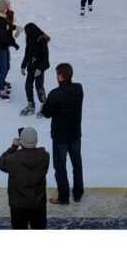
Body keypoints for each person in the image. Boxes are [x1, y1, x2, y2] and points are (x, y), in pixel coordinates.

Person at [40, 62, 84, 205]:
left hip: (60, 138)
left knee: (60, 167)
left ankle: (64, 197)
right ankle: (78, 193)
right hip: (75, 134)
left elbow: (46, 113)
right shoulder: (79, 89)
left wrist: (45, 102)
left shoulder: (55, 94)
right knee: (77, 164)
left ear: (60, 76)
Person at [0, 126, 50, 228]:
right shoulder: (45, 156)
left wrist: (13, 147)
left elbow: (0, 163)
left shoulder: (13, 159)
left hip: (18, 206)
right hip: (38, 204)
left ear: (21, 142)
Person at [0, 0, 18, 99]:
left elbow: (7, 27)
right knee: (3, 68)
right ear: (2, 8)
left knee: (7, 66)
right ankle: (0, 89)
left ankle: (3, 82)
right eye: (7, 7)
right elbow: (2, 36)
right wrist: (13, 43)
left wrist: (14, 27)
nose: (8, 8)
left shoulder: (2, 17)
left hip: (4, 46)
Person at [19, 23, 50, 116]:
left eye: (27, 33)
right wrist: (23, 65)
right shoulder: (29, 39)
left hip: (39, 67)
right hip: (31, 67)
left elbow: (46, 58)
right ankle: (31, 104)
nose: (26, 35)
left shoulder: (42, 40)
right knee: (28, 85)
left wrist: (40, 69)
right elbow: (27, 53)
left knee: (39, 86)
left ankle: (44, 104)